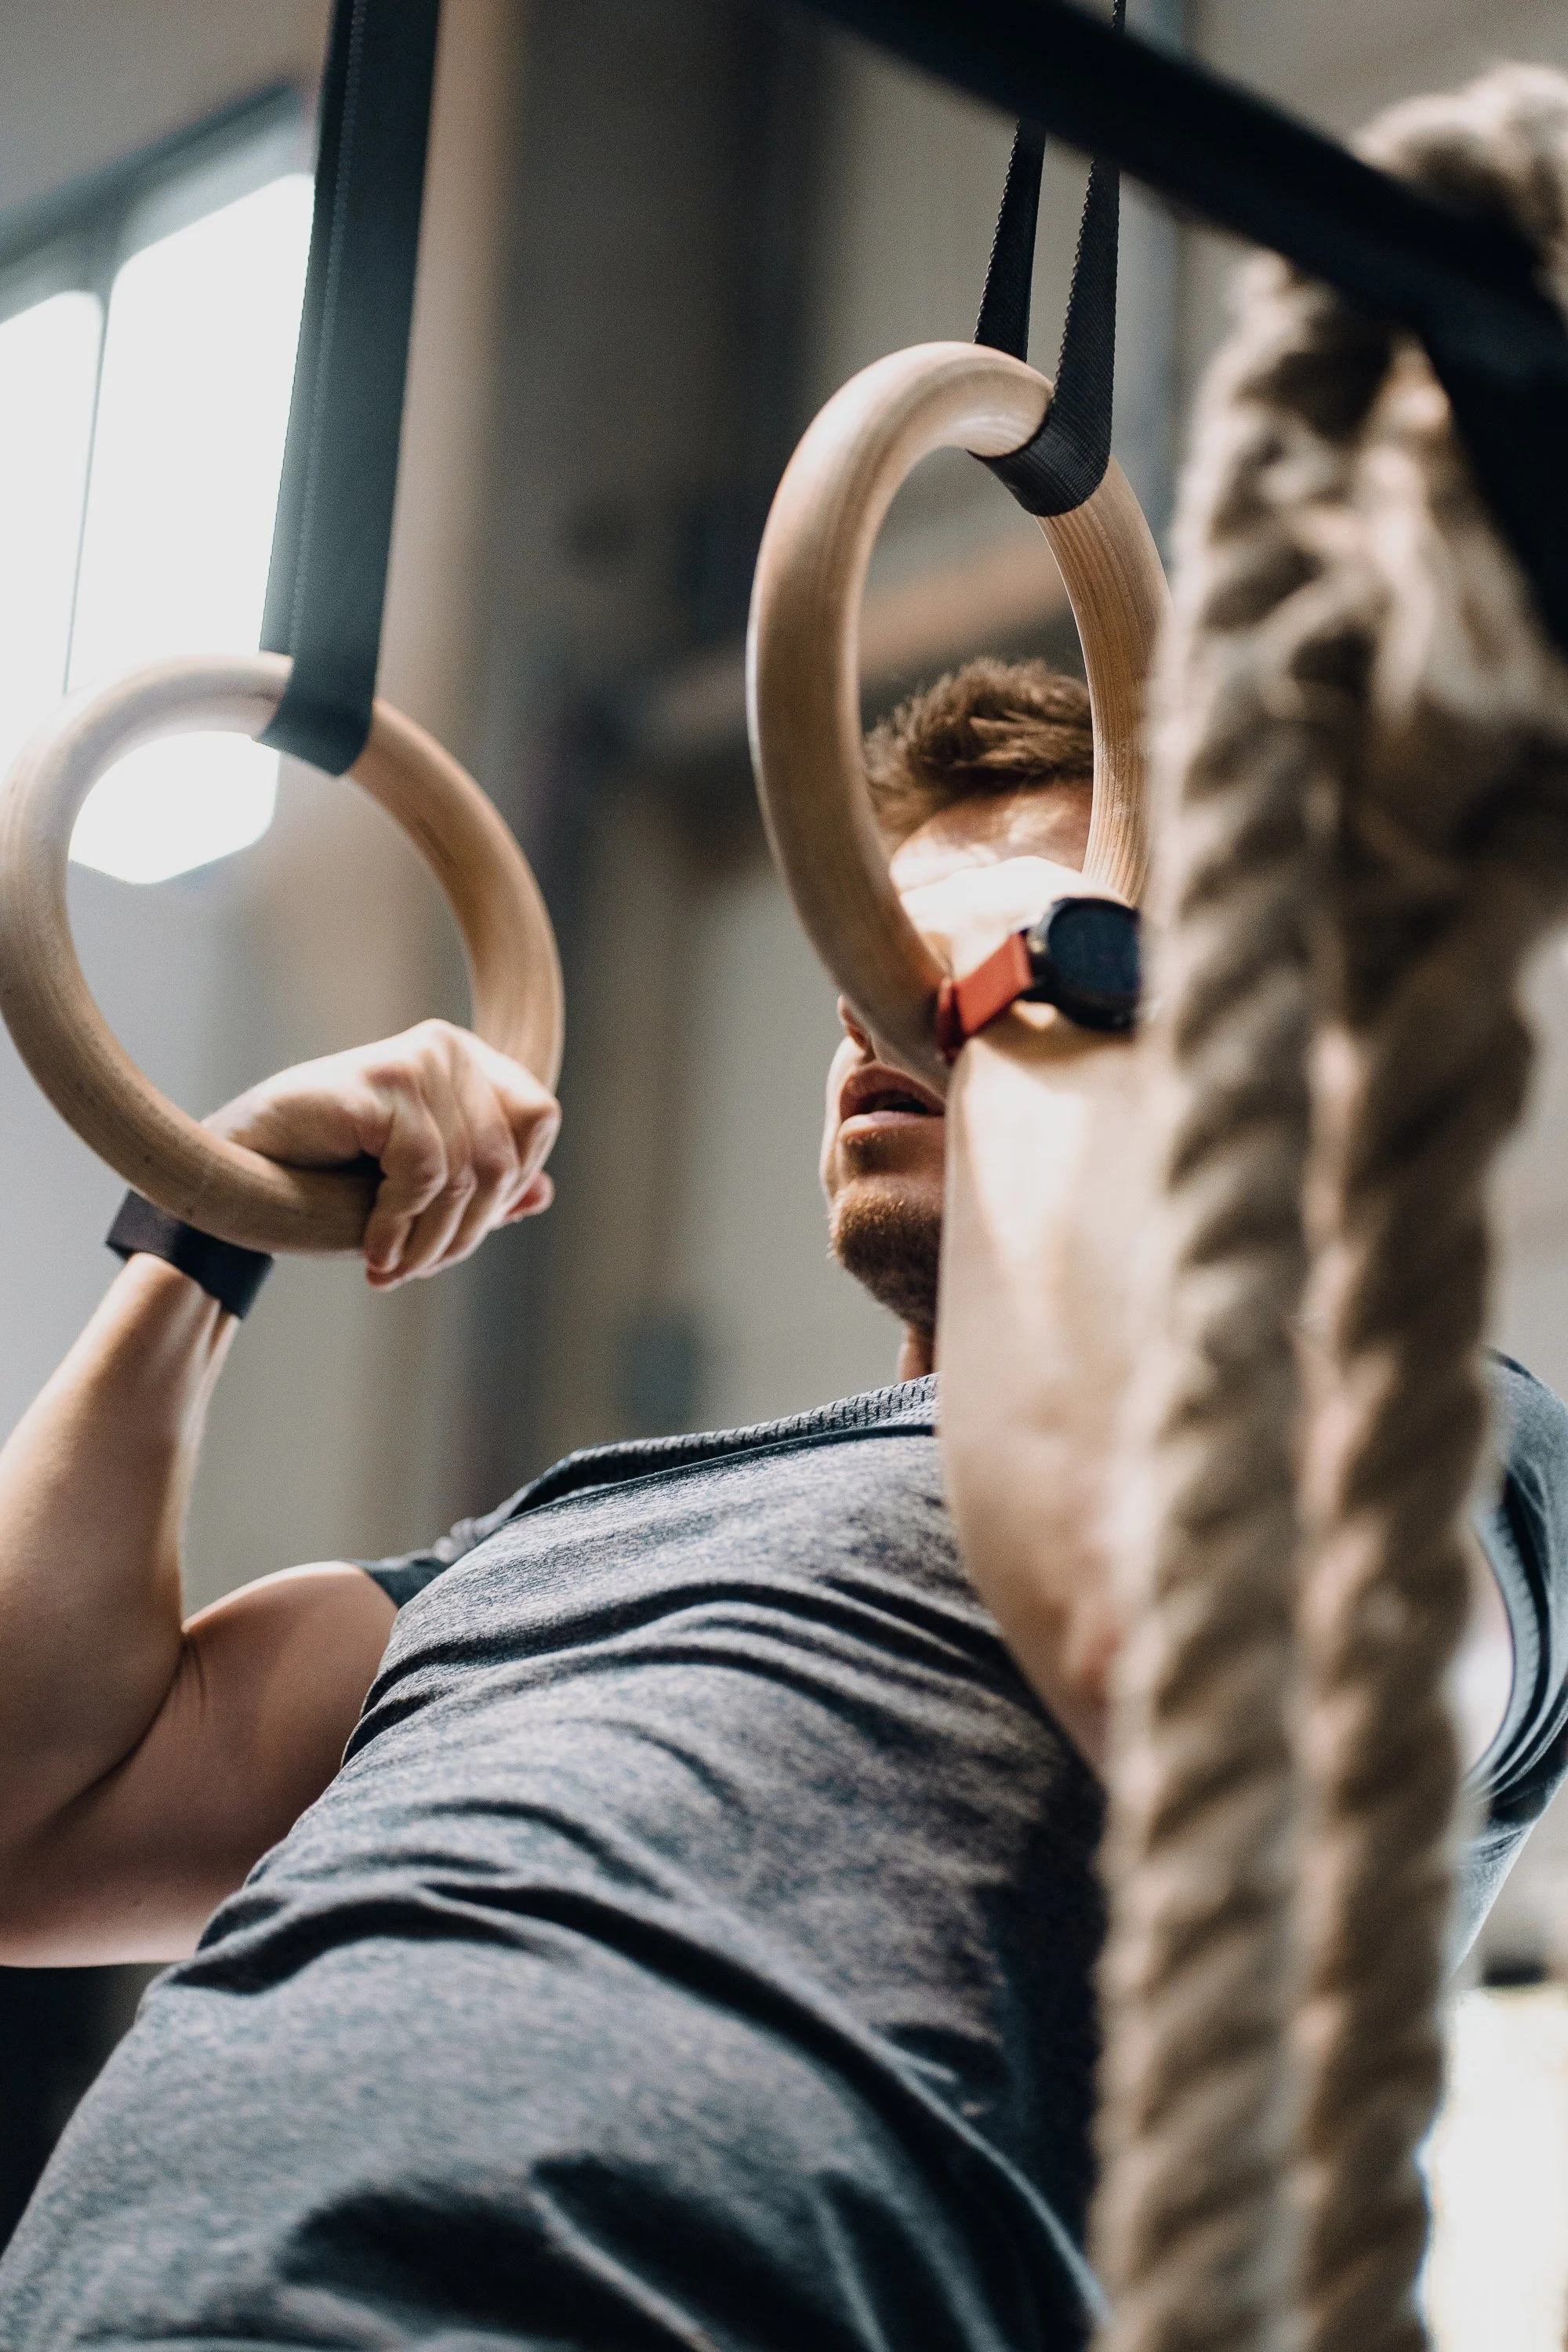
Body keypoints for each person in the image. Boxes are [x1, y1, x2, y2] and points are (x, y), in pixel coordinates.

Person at [0, 659, 1560, 2351]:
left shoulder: (1424, 1435)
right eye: (863, 959)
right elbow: (36, 1816)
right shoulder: (552, 1538)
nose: (872, 1012)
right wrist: (207, 1226)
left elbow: (1220, 1683)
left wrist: (1053, 1047)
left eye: (971, 962)